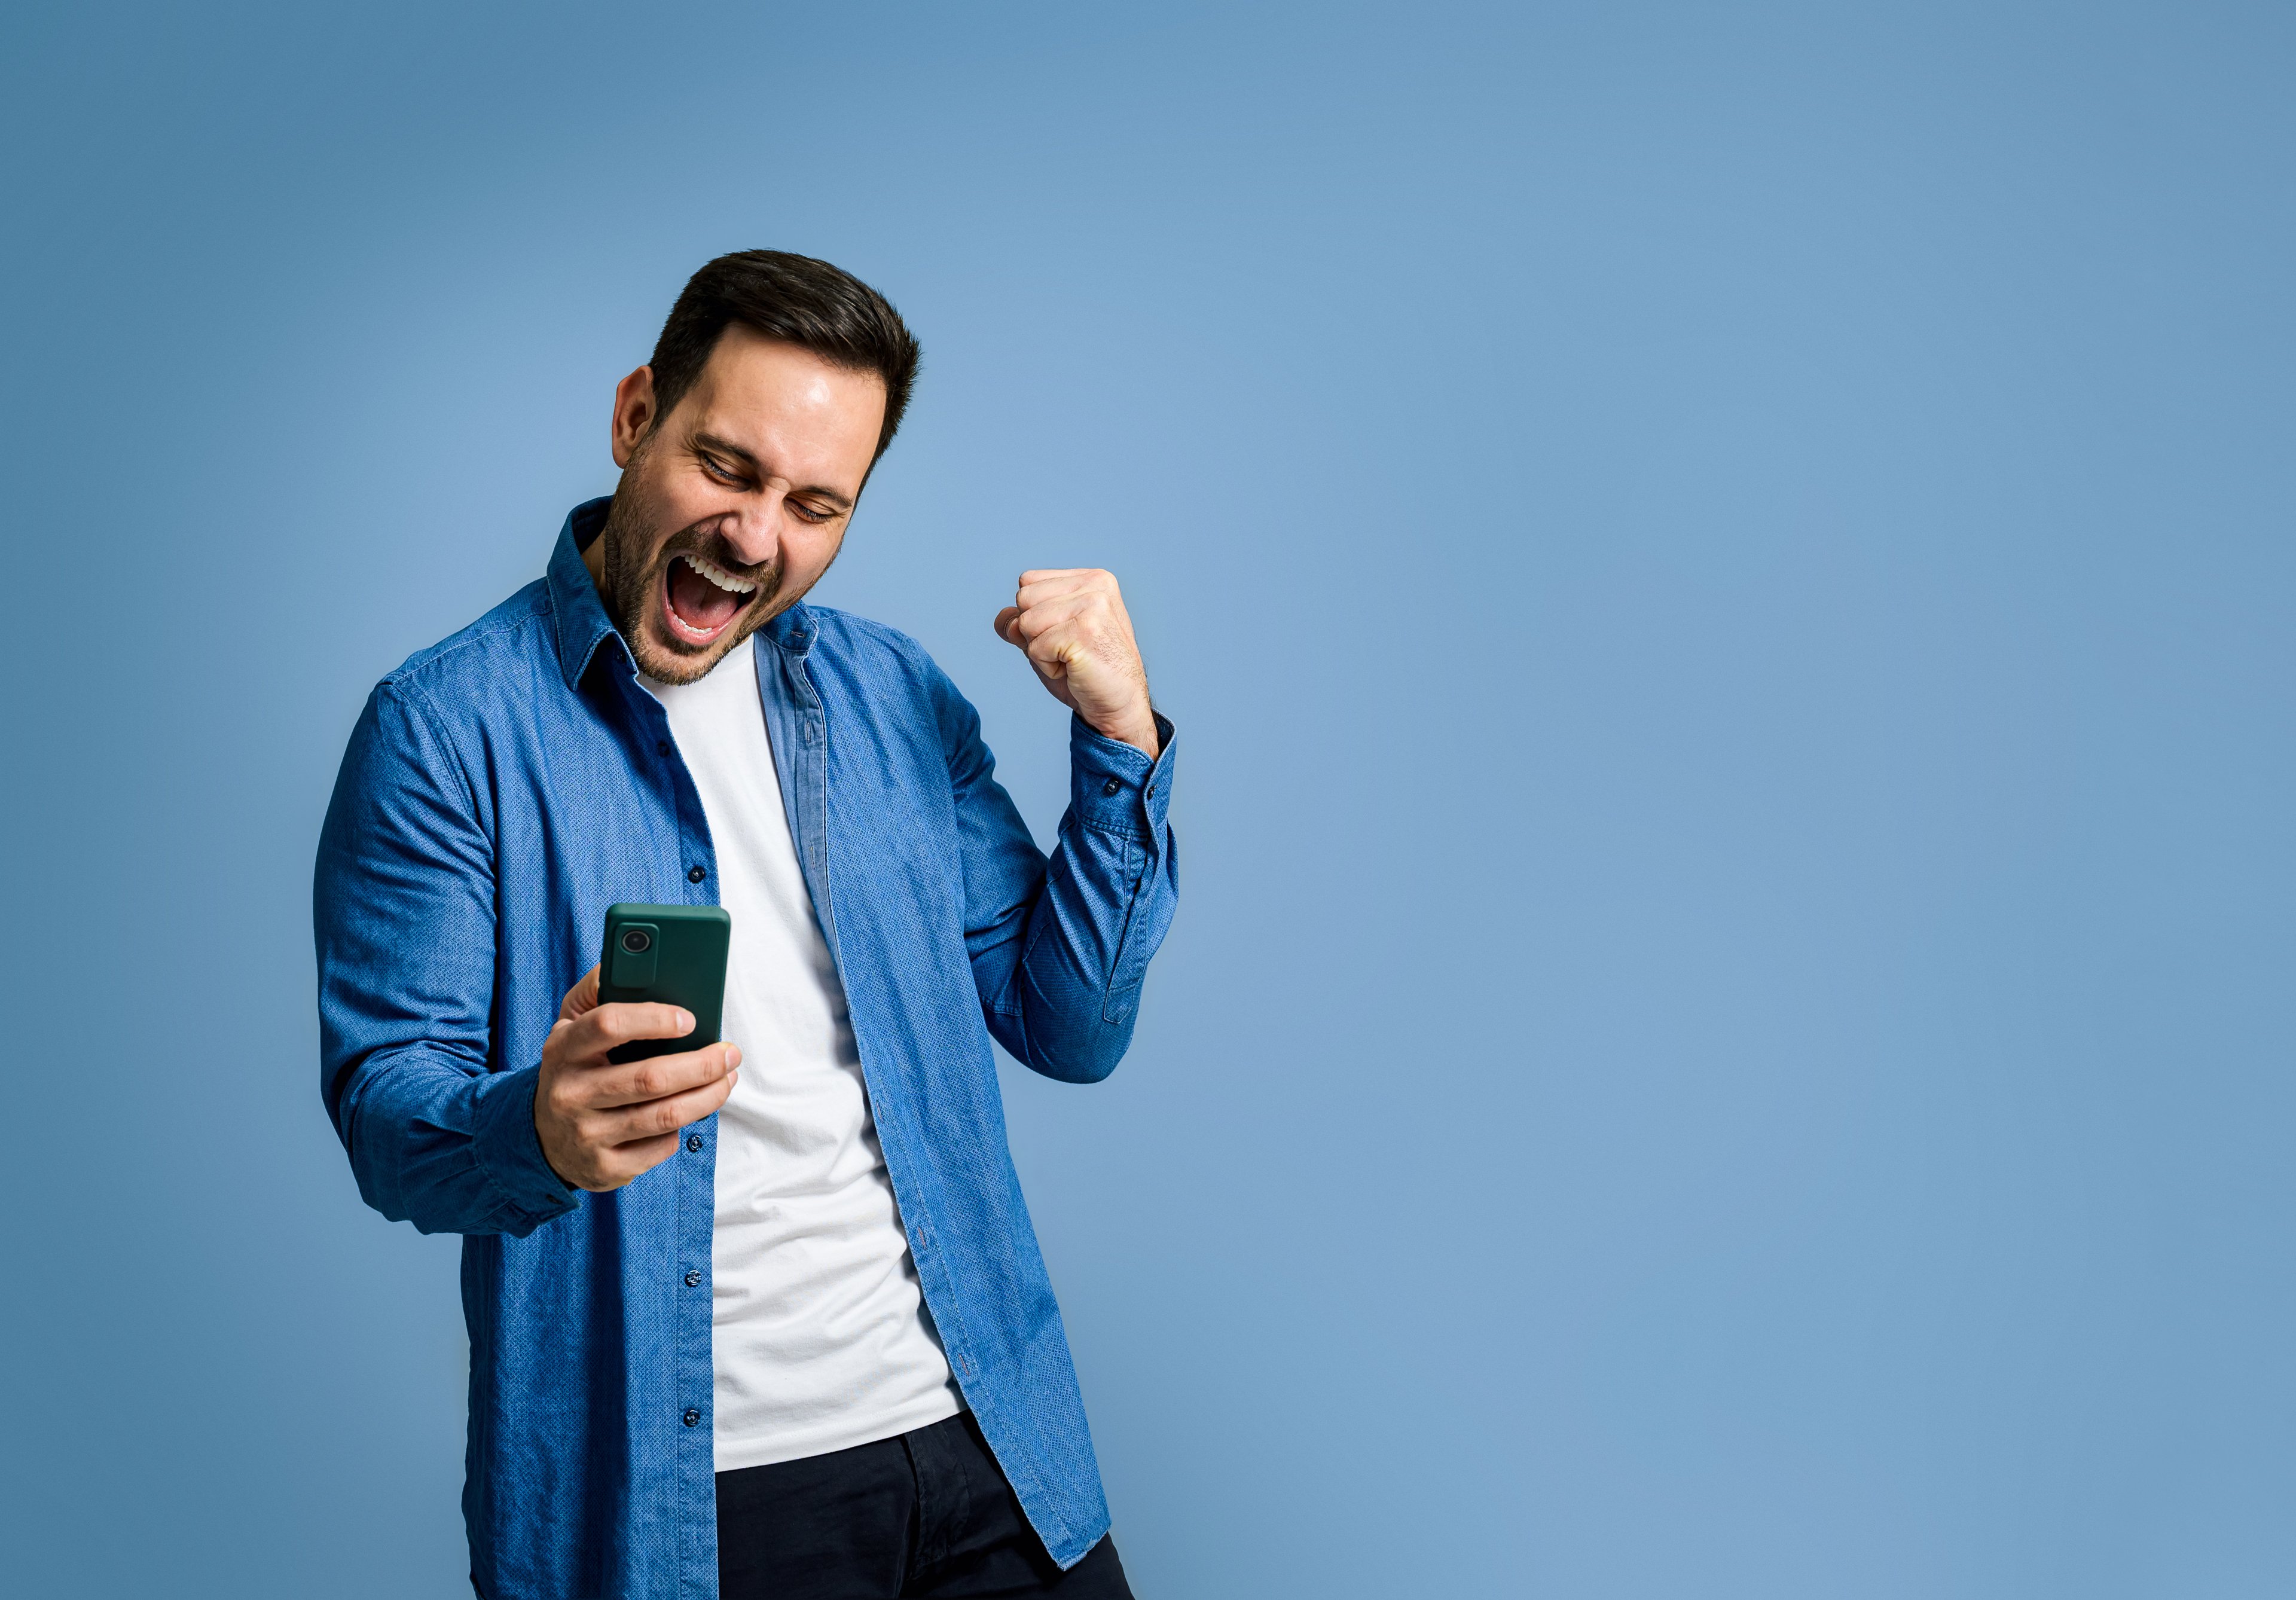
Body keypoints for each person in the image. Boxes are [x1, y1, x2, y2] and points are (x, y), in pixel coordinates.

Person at [315, 250, 1176, 1600]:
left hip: (994, 1452)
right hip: (689, 1510)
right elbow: (384, 1113)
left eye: (815, 503)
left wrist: (1120, 738)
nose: (757, 537)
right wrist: (531, 1126)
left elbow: (1068, 1025)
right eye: (728, 467)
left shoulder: (898, 697)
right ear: (633, 416)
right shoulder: (443, 730)